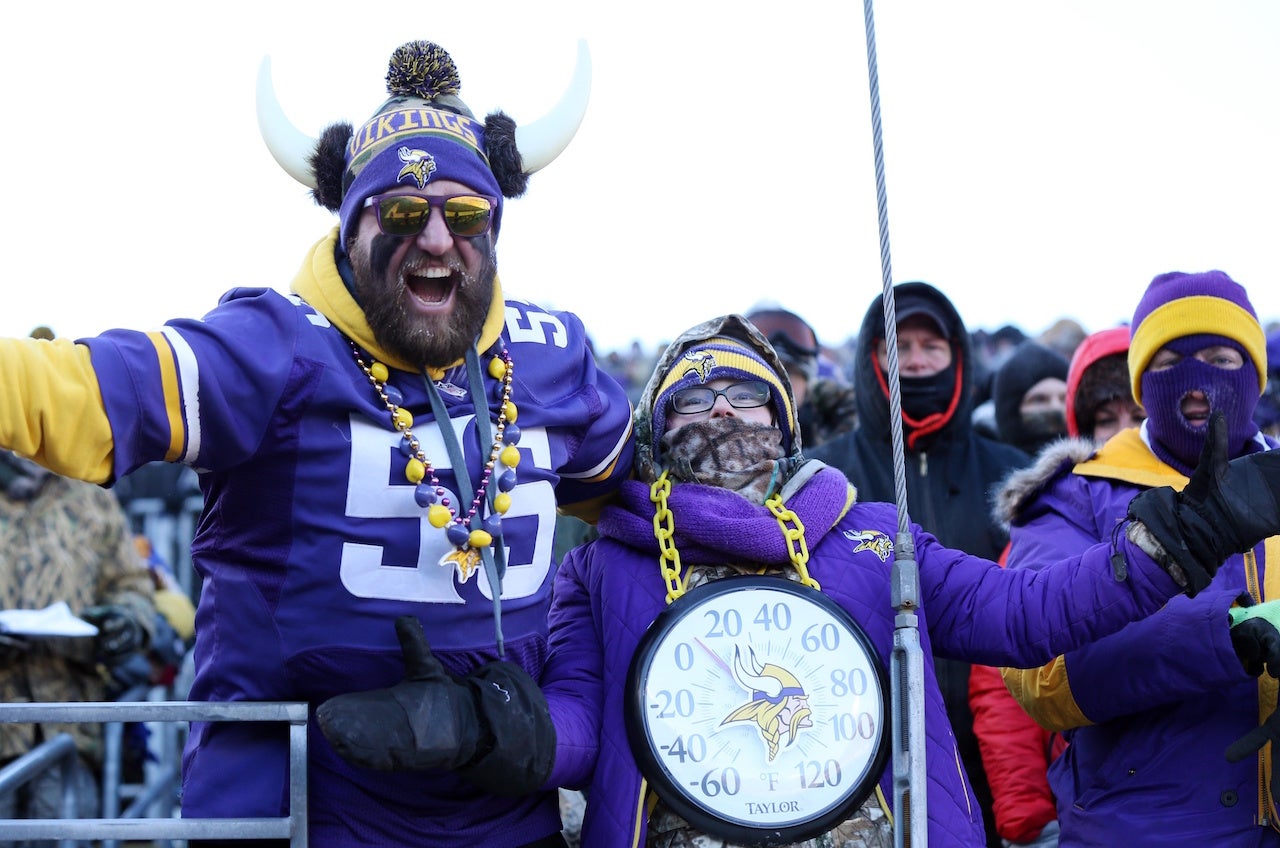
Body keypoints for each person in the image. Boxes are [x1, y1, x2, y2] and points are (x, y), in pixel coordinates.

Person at [316, 312, 1280, 846]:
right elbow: (578, 726)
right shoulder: (604, 564)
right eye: (694, 397)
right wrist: (491, 732)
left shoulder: (869, 537)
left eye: (746, 395)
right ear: (655, 431)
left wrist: (1174, 541)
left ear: (785, 423)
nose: (723, 415)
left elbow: (1032, 616)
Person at [0, 39, 634, 847]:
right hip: (303, 811)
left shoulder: (552, 354)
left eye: (464, 213)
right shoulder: (276, 345)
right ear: (351, 223)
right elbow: (83, 392)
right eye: (402, 213)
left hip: (503, 816)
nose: (436, 238)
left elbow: (650, 507)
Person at [999, 270, 1280, 846]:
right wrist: (1225, 637)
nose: (1197, 384)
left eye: (1221, 358)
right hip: (1142, 829)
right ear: (1139, 384)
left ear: (1255, 373)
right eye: (1170, 360)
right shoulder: (1075, 497)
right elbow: (1039, 673)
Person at [807, 281, 1033, 846]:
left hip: (1001, 746)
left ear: (958, 357)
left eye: (932, 346)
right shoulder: (821, 480)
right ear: (872, 359)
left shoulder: (1015, 475)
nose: (916, 360)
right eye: (898, 346)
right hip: (866, 750)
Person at [968, 324, 1143, 848]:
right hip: (1089, 806)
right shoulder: (1049, 531)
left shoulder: (1238, 512)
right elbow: (1002, 688)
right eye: (1104, 419)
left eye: (1137, 416)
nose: (1122, 433)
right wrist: (1029, 817)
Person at [0, 450, 158, 839]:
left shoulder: (89, 491)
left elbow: (131, 587)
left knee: (65, 831)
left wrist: (126, 622)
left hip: (70, 729)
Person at [744, 304, 857, 449]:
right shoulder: (723, 416)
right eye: (764, 375)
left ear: (807, 384)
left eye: (788, 373)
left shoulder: (838, 411)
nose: (777, 385)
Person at [989, 340, 1071, 455]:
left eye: (1064, 399)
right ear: (1010, 411)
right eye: (1039, 399)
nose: (1056, 407)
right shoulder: (986, 465)